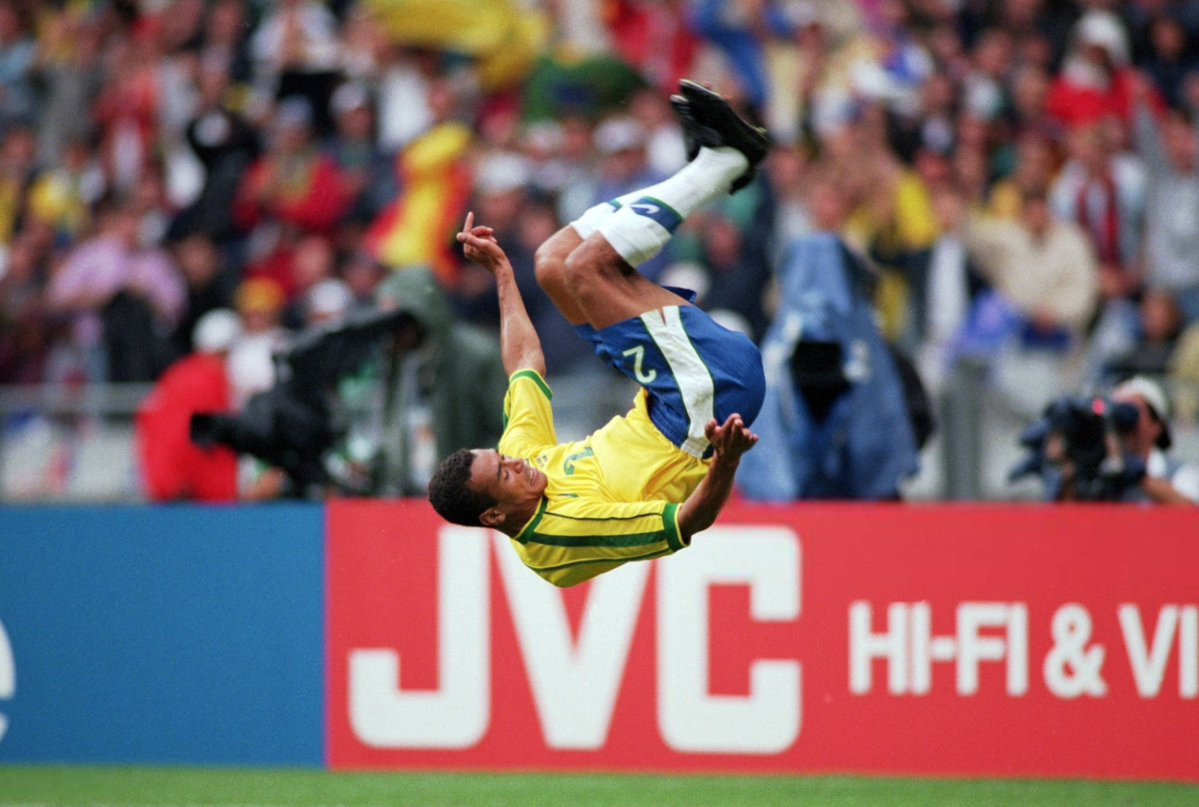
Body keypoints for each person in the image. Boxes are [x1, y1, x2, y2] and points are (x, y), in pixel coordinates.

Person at [427, 81, 769, 587]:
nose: (516, 463)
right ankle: (721, 165)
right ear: (495, 515)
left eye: (503, 458)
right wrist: (727, 461)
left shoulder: (522, 461)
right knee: (588, 267)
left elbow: (524, 362)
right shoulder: (559, 539)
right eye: (504, 474)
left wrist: (501, 273)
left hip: (662, 392)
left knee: (552, 262)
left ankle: (716, 166)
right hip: (706, 406)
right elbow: (687, 522)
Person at [1111, 375, 1199, 504]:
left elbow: (1191, 509)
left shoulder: (1180, 474)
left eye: (1131, 413)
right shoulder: (1103, 472)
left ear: (1156, 425)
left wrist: (1141, 478)